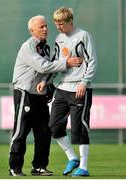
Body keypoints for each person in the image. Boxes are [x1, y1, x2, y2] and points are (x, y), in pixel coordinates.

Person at [9, 15, 82, 176]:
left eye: (46, 26)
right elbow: (43, 67)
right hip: (25, 93)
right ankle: (14, 167)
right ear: (32, 30)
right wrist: (67, 62)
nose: (45, 29)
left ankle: (39, 166)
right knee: (20, 132)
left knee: (44, 132)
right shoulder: (27, 47)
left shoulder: (45, 47)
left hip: (40, 95)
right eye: (41, 27)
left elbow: (49, 71)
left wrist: (48, 83)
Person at [48, 7, 97, 177]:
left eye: (61, 24)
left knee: (79, 128)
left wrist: (84, 82)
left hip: (79, 88)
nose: (58, 27)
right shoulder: (58, 38)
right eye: (56, 24)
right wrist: (46, 81)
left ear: (70, 21)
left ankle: (83, 166)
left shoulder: (83, 35)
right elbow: (56, 62)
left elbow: (92, 61)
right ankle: (72, 158)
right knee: (54, 127)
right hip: (62, 88)